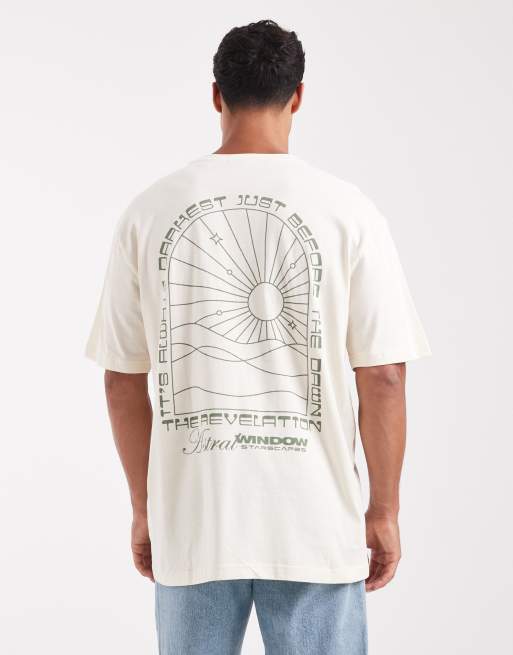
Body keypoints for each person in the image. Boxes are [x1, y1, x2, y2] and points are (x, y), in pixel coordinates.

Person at [86, 19, 430, 655]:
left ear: (216, 94)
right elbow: (384, 375)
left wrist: (145, 506)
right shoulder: (348, 210)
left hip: (194, 520)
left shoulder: (149, 210)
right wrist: (383, 511)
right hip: (315, 523)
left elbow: (120, 380)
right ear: (297, 96)